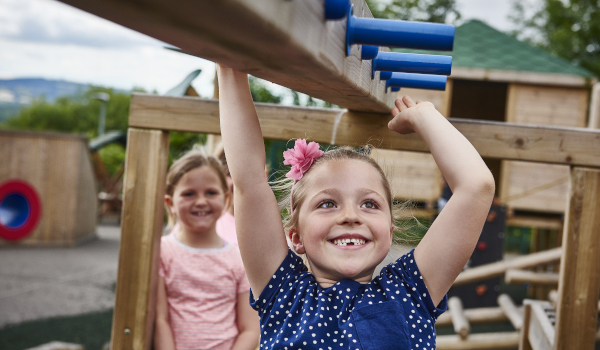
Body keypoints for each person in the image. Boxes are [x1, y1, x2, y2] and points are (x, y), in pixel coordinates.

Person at [218, 65, 495, 349]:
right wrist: (229, 68)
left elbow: (476, 187)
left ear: (390, 229)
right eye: (327, 203)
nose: (350, 216)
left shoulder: (410, 291)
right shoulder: (285, 293)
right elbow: (249, 182)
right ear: (296, 237)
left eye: (369, 204)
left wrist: (425, 116)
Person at [154, 150, 260, 350]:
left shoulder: (239, 259)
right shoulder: (162, 251)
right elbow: (161, 319)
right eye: (189, 193)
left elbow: (250, 329)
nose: (201, 201)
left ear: (226, 198)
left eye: (210, 192)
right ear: (170, 203)